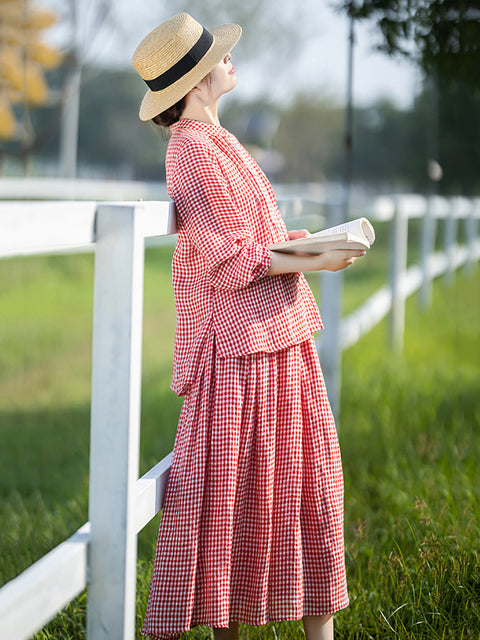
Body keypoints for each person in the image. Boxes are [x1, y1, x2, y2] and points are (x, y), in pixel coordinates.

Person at [132, 13, 364, 640]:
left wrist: (308, 247)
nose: (232, 60)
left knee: (307, 482)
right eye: (219, 56)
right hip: (240, 352)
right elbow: (232, 259)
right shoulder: (190, 153)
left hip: (276, 333)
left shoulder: (221, 141)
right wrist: (315, 257)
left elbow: (253, 242)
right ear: (197, 80)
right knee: (237, 499)